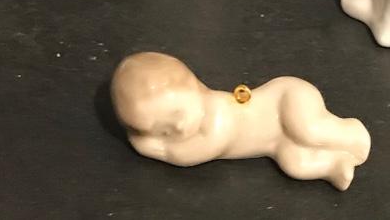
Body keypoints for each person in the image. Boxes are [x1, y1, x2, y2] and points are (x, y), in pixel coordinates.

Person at [111, 52, 371, 191]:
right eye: (164, 131)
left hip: (284, 100)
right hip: (274, 143)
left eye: (178, 114)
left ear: (195, 85)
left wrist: (154, 148)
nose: (178, 128)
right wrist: (147, 141)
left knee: (308, 131)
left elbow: (192, 154)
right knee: (296, 165)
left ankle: (349, 133)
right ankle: (335, 165)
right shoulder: (193, 124)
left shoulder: (216, 114)